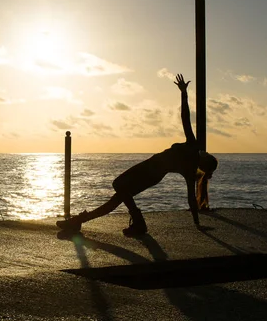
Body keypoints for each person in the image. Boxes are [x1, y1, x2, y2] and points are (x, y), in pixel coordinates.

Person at [56, 74, 218, 237]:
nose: (206, 152)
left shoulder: (192, 147)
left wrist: (184, 93)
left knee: (118, 184)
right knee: (116, 199)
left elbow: (185, 118)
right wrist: (197, 223)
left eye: (208, 155)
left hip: (150, 168)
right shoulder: (191, 170)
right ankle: (78, 222)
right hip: (154, 175)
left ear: (205, 160)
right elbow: (190, 199)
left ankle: (138, 221)